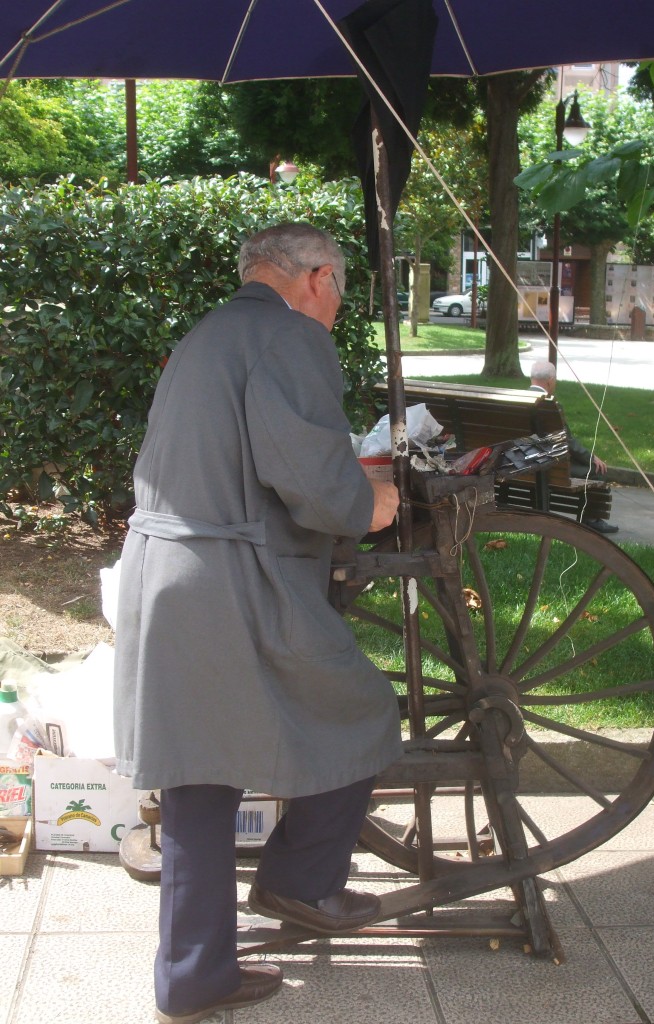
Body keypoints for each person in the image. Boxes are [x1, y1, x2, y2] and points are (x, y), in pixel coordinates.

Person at [113, 223, 403, 1024]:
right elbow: (307, 474)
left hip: (164, 570)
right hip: (226, 582)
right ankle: (299, 881)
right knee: (364, 712)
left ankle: (194, 975)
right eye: (341, 291)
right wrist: (366, 504)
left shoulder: (211, 331)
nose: (337, 310)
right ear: (315, 277)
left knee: (200, 778)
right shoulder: (288, 337)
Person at [528, 359, 619, 534]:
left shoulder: (516, 400)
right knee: (596, 471)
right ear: (550, 381)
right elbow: (567, 443)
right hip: (549, 468)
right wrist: (591, 459)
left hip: (519, 466)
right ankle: (591, 519)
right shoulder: (551, 406)